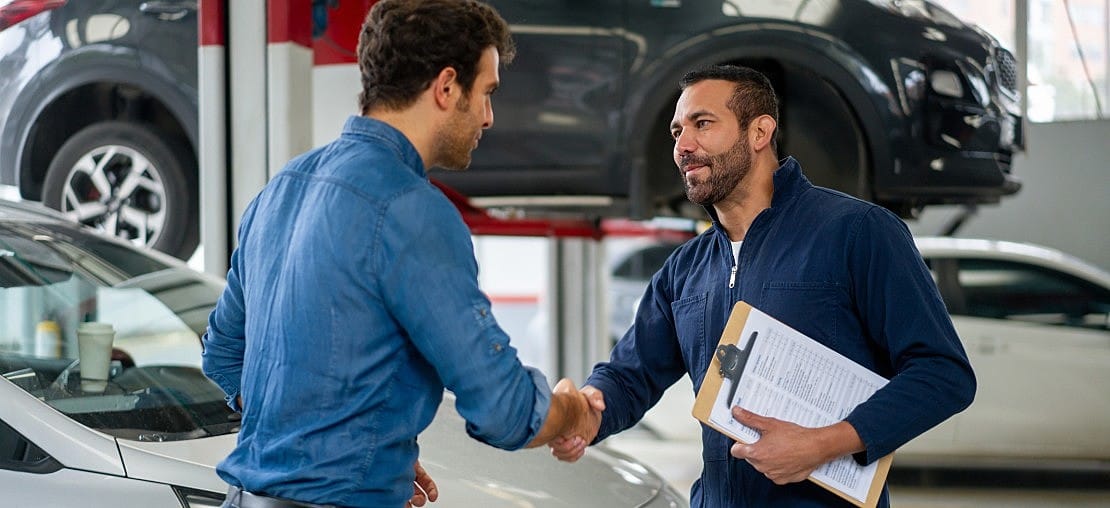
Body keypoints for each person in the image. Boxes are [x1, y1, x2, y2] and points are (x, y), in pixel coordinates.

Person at [201, 1, 600, 507]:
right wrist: (572, 411)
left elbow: (223, 356)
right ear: (447, 86)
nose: (488, 117)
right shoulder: (414, 213)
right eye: (487, 93)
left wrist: (353, 443)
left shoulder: (283, 187)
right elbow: (501, 407)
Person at [549, 64, 976, 507]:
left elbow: (943, 374)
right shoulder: (685, 270)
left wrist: (824, 443)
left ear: (760, 132)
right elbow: (629, 377)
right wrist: (584, 412)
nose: (683, 145)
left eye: (702, 124)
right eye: (677, 131)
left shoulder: (857, 233)